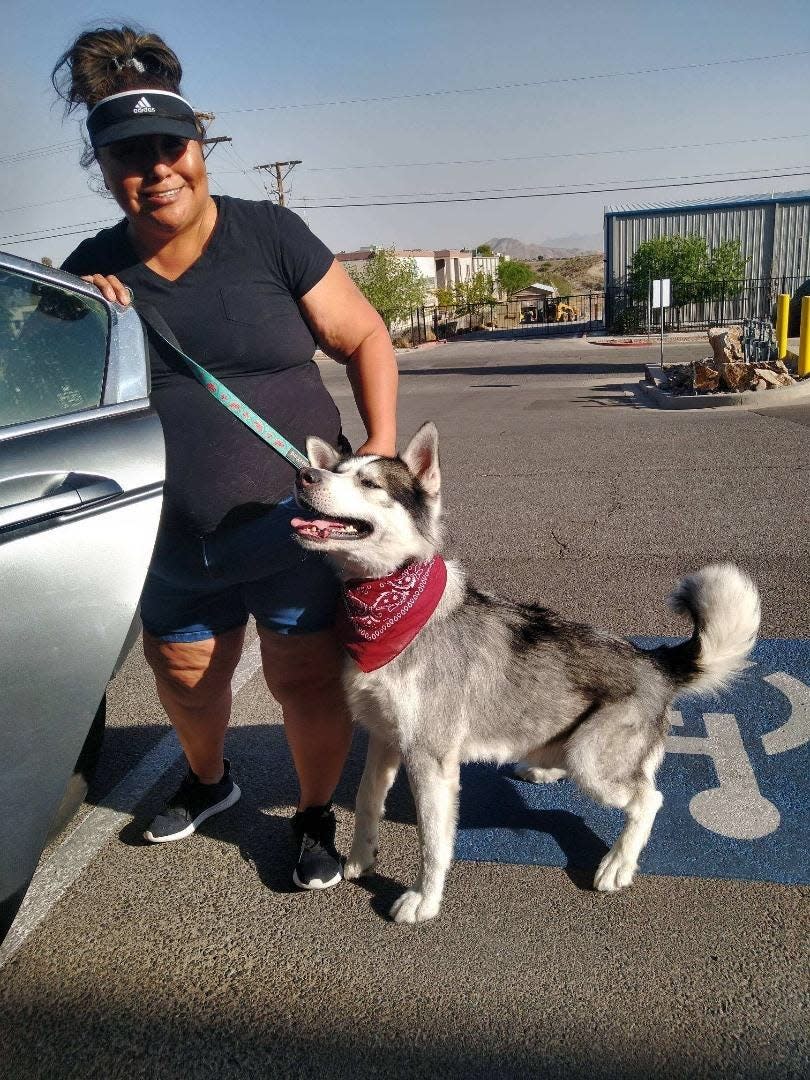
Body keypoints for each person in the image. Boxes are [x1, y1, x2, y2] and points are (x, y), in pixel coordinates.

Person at [52, 26, 399, 890]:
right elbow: (60, 395)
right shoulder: (91, 271)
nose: (156, 168)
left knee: (305, 681)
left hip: (296, 526)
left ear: (200, 148)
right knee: (185, 678)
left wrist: (382, 452)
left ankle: (316, 814)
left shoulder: (269, 236)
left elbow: (364, 336)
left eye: (171, 146)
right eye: (130, 154)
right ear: (104, 168)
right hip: (168, 534)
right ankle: (210, 781)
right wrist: (89, 320)